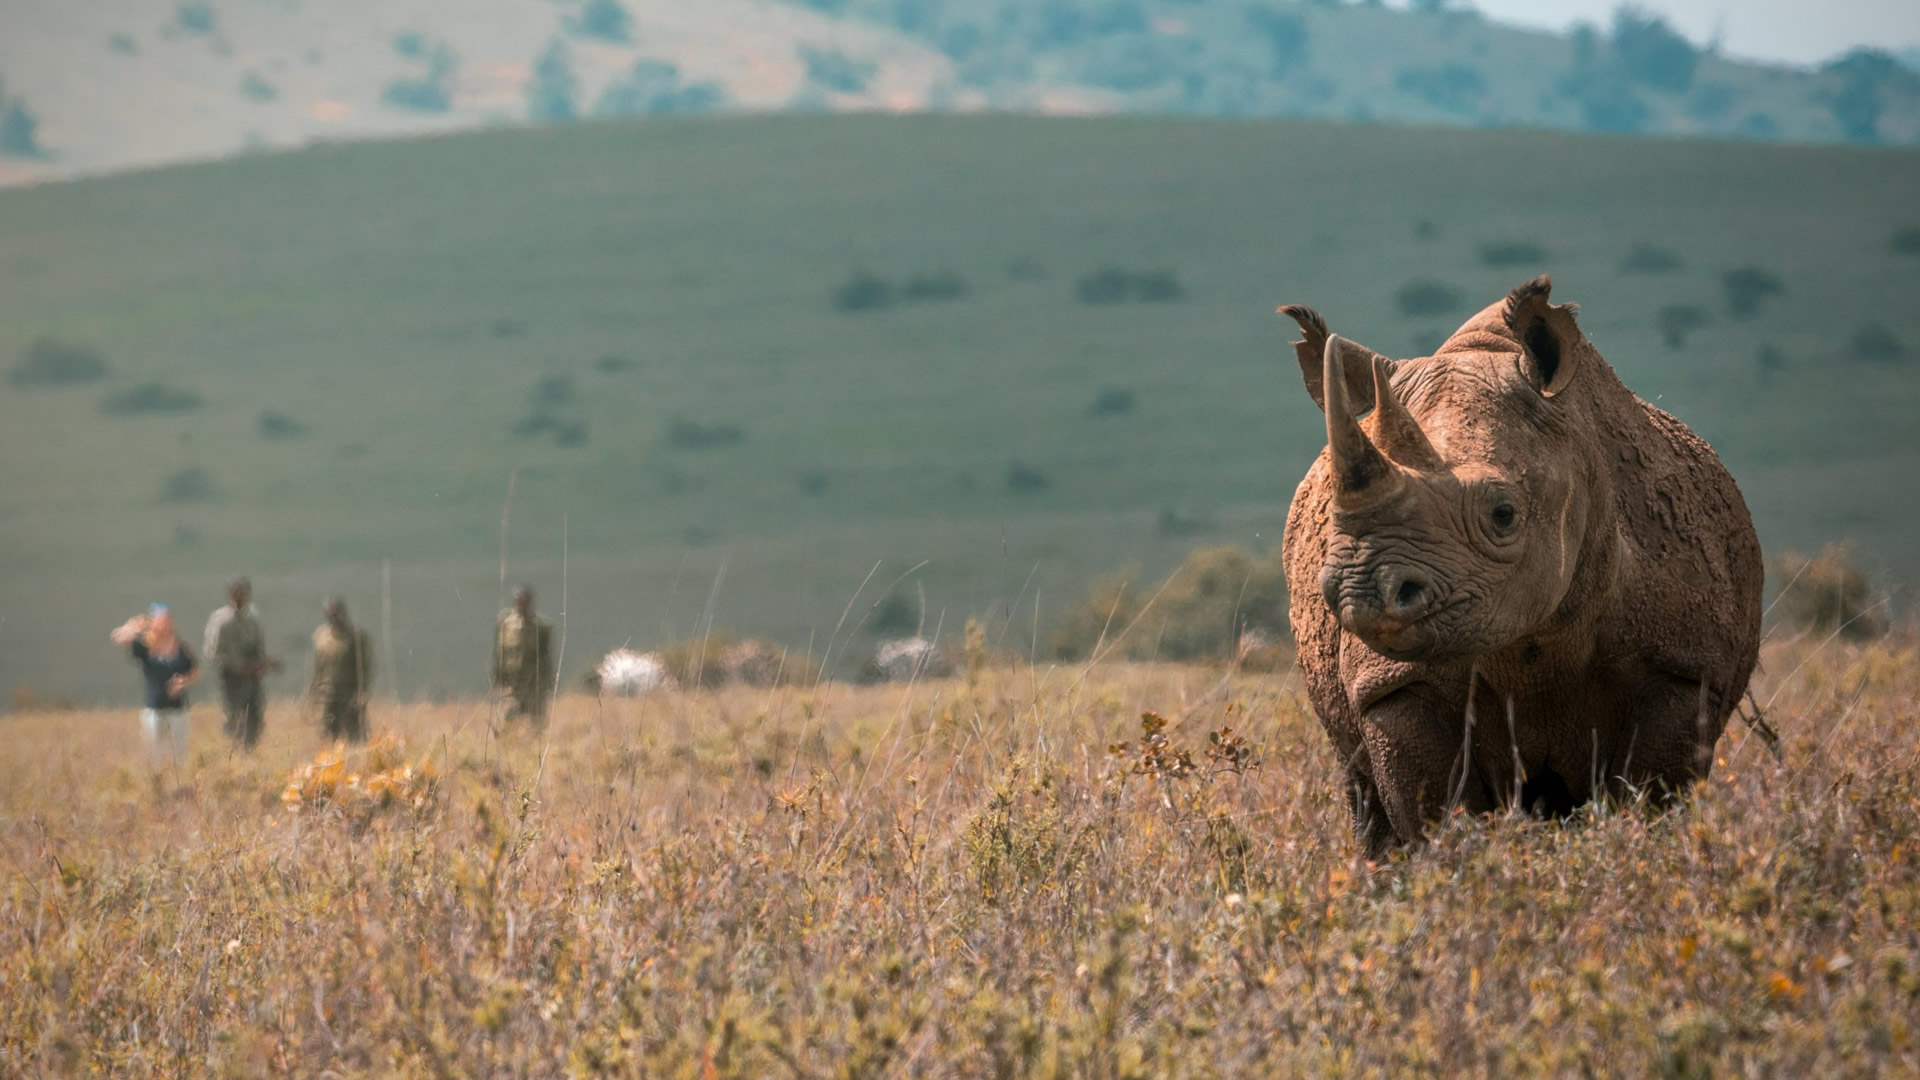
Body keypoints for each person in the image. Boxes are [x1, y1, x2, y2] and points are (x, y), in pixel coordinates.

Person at [110, 604, 200, 771]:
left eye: (167, 621)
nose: (164, 625)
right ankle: (158, 782)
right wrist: (135, 625)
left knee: (180, 753)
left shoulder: (181, 647)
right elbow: (118, 637)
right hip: (154, 709)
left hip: (178, 709)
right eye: (160, 621)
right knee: (155, 752)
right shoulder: (146, 646)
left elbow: (195, 671)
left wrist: (183, 682)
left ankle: (179, 782)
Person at [203, 576, 279, 750]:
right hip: (232, 682)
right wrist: (240, 667)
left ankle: (249, 756)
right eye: (237, 592)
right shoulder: (220, 620)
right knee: (234, 722)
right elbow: (213, 655)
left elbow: (259, 648)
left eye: (244, 592)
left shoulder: (252, 618)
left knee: (254, 722)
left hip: (253, 682)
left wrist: (265, 664)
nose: (240, 596)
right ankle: (232, 759)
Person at [308, 598, 373, 744]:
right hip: (326, 693)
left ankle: (358, 762)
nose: (333, 617)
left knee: (354, 733)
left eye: (336, 613)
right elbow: (317, 666)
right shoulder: (321, 635)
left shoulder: (355, 637)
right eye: (330, 614)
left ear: (343, 613)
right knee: (328, 733)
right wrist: (312, 690)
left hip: (349, 694)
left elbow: (365, 667)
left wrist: (362, 693)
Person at [492, 585, 553, 729]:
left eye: (525, 601)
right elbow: (499, 652)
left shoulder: (540, 626)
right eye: (519, 600)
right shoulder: (506, 623)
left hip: (533, 679)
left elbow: (546, 654)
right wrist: (498, 675)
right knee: (509, 714)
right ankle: (510, 743)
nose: (522, 604)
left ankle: (536, 745)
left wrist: (546, 678)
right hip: (512, 680)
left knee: (536, 716)